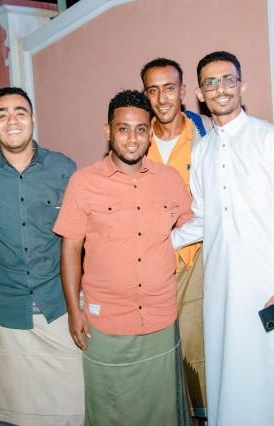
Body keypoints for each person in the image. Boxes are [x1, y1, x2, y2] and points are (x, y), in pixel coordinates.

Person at [171, 51, 274, 426]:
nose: (220, 89)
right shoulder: (201, 152)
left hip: (272, 289)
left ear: (242, 85)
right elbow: (204, 218)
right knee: (232, 378)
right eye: (211, 83)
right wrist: (163, 243)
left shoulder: (272, 141)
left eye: (228, 80)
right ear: (200, 94)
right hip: (223, 291)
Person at [54, 90, 192, 425]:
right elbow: (70, 249)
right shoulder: (83, 183)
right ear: (108, 131)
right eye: (123, 129)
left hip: (160, 320)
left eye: (141, 129)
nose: (132, 138)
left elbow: (192, 229)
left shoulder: (170, 180)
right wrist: (74, 310)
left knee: (163, 413)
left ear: (150, 133)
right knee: (110, 413)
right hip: (106, 324)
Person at [0, 87, 83, 426]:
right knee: (9, 410)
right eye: (2, 114)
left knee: (72, 405)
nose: (12, 120)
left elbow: (84, 234)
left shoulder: (63, 168)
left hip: (57, 307)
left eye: (19, 112)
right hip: (5, 311)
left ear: (33, 119)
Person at [140, 57, 208, 421]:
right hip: (147, 263)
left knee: (197, 350)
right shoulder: (137, 139)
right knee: (156, 351)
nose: (162, 98)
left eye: (169, 88)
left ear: (183, 91)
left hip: (195, 258)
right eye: (153, 90)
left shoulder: (205, 137)